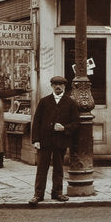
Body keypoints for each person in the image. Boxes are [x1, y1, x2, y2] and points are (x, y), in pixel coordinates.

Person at [29, 75, 80, 205]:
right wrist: (36, 139)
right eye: (55, 84)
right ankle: (38, 194)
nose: (58, 87)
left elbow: (76, 123)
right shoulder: (44, 101)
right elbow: (37, 122)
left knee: (58, 168)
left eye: (61, 85)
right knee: (42, 168)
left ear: (64, 86)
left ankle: (57, 192)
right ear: (51, 86)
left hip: (60, 141)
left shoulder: (70, 103)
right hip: (45, 141)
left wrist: (64, 128)